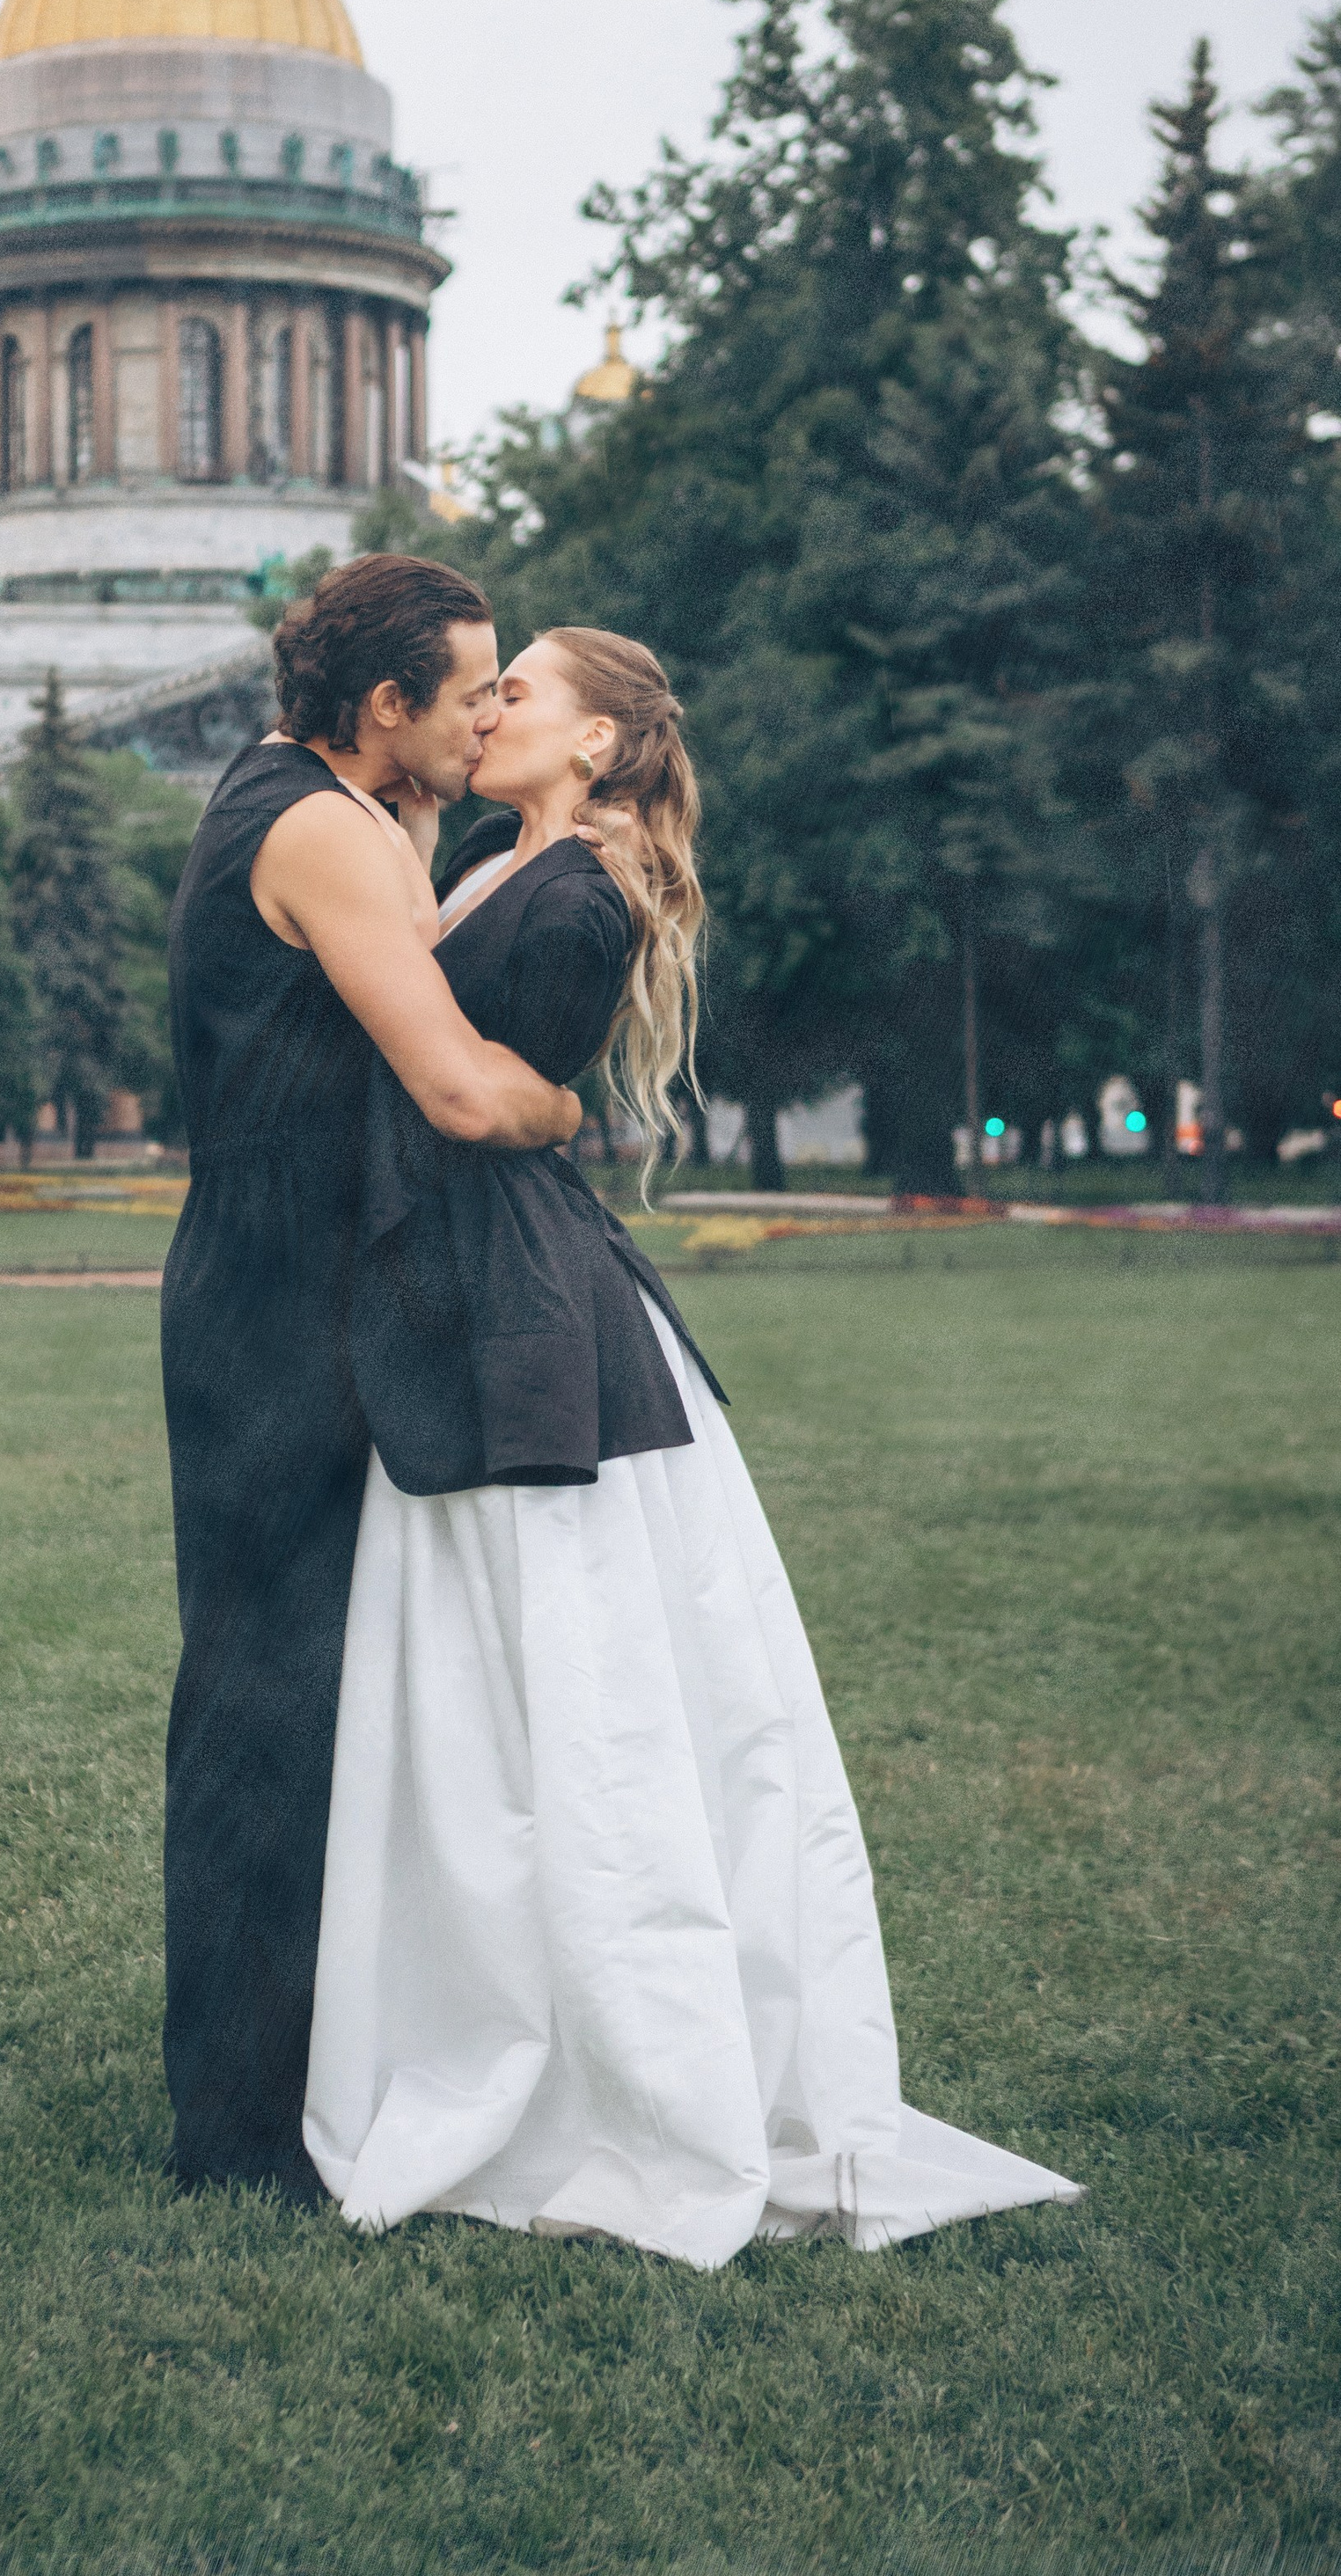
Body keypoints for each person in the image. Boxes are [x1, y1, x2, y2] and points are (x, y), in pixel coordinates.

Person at [304, 625, 1081, 2264]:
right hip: (473, 1283)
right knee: (507, 1688)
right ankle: (509, 2018)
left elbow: (504, 1090)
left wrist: (532, 1104)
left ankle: (603, 2066)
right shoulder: (501, 862)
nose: (491, 702)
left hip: (515, 1303)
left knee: (574, 1692)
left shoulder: (579, 889)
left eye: (522, 687)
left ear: (595, 745)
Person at [159, 553, 583, 2203]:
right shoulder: (322, 827)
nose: (491, 711)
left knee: (358, 1696)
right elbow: (469, 1098)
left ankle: (330, 2075)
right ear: (382, 704)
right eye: (469, 688)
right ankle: (238, 2134)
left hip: (329, 1278)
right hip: (277, 1302)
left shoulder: (376, 809)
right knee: (267, 1699)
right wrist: (569, 1107)